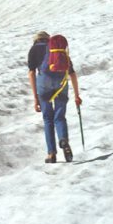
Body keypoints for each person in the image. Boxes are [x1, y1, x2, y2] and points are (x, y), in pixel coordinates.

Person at [27, 31, 82, 163]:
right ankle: (63, 139)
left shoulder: (33, 49)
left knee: (48, 119)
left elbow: (31, 74)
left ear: (36, 40)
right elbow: (72, 74)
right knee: (59, 117)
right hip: (61, 84)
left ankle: (51, 154)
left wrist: (36, 98)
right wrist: (77, 95)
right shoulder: (58, 50)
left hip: (44, 85)